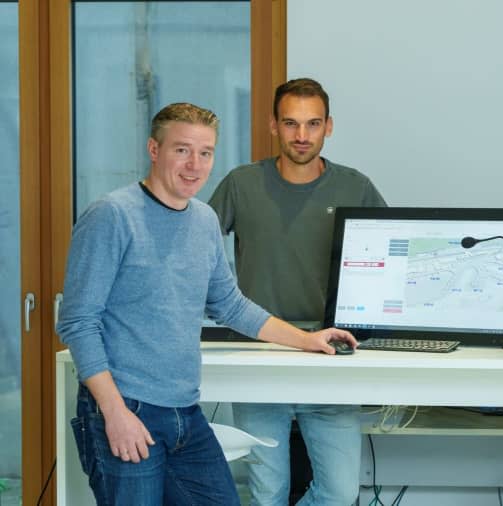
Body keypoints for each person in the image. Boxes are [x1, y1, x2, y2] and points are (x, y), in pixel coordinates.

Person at [57, 102, 357, 506]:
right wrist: (114, 413)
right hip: (127, 406)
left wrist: (307, 339)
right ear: (153, 149)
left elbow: (230, 305)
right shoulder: (112, 215)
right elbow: (78, 321)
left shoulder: (203, 220)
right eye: (181, 150)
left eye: (206, 152)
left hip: (184, 410)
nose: (194, 165)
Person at [209, 78, 386, 505]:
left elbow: (389, 256)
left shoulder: (355, 187)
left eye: (312, 124)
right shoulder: (241, 184)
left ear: (329, 126)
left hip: (331, 355)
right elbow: (194, 249)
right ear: (273, 126)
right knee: (267, 493)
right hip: (258, 354)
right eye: (291, 123)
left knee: (340, 494)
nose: (302, 136)